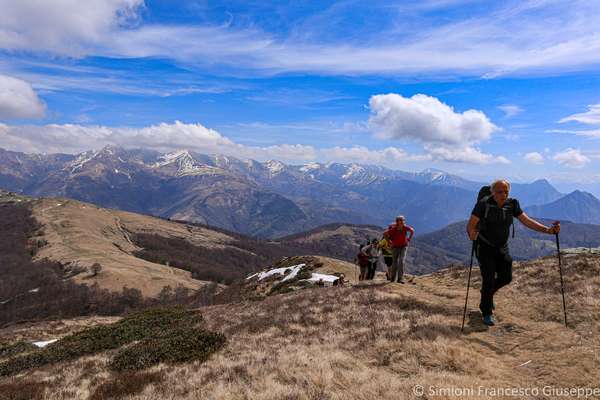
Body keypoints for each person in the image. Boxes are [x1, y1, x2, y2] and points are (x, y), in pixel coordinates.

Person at [466, 179, 560, 326]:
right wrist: (471, 234)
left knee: (506, 277)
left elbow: (527, 221)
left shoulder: (512, 204)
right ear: (492, 192)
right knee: (488, 278)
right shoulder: (483, 205)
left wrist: (548, 231)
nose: (503, 194)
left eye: (506, 192)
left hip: (502, 247)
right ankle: (487, 311)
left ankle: (487, 294)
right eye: (499, 192)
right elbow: (471, 225)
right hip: (484, 246)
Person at [384, 216, 414, 283]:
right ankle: (393, 278)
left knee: (401, 261)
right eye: (400, 221)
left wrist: (409, 239)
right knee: (394, 262)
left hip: (403, 246)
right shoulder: (393, 229)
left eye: (402, 221)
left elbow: (412, 231)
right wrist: (389, 242)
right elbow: (385, 234)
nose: (401, 223)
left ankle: (400, 279)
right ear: (397, 222)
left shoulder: (405, 228)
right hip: (395, 247)